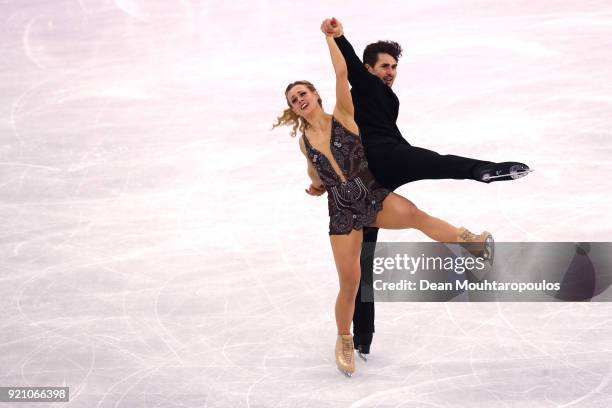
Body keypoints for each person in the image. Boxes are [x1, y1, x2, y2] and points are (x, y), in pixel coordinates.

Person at [272, 29, 493, 377]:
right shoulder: (304, 142)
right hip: (343, 212)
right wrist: (316, 187)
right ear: (293, 108)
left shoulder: (344, 115)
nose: (298, 99)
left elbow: (342, 73)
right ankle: (344, 339)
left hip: (371, 194)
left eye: (302, 92)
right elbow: (316, 172)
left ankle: (471, 241)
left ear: (315, 95)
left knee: (416, 215)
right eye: (292, 98)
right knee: (350, 282)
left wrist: (332, 38)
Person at [320, 17, 532, 359]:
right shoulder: (366, 86)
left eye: (394, 66)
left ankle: (362, 335)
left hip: (371, 181)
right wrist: (339, 37)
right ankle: (485, 171)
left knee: (364, 261)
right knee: (437, 162)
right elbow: (346, 69)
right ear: (368, 68)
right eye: (384, 66)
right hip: (384, 157)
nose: (390, 72)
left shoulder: (390, 99)